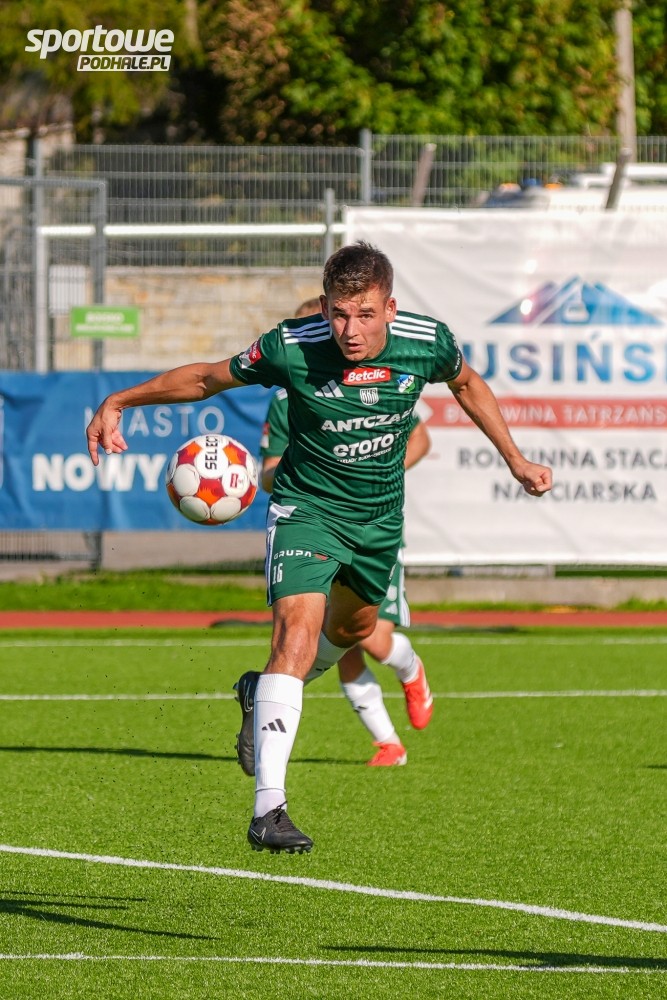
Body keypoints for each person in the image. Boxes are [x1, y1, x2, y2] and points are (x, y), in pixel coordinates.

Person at [86, 241, 552, 856]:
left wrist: (515, 459)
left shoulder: (427, 342)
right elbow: (205, 378)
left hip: (378, 521)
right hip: (306, 510)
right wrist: (119, 400)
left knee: (355, 631)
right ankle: (269, 809)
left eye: (364, 314)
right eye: (338, 313)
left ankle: (260, 691)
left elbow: (467, 385)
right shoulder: (291, 345)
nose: (349, 330)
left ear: (390, 308)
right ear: (326, 305)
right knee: (295, 636)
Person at [258, 313, 434, 769]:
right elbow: (268, 472)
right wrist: (307, 469)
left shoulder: (381, 376)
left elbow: (420, 438)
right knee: (332, 641)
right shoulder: (285, 397)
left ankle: (410, 668)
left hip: (371, 523)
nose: (344, 334)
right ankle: (388, 743)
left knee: (371, 637)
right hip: (317, 521)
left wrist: (372, 471)